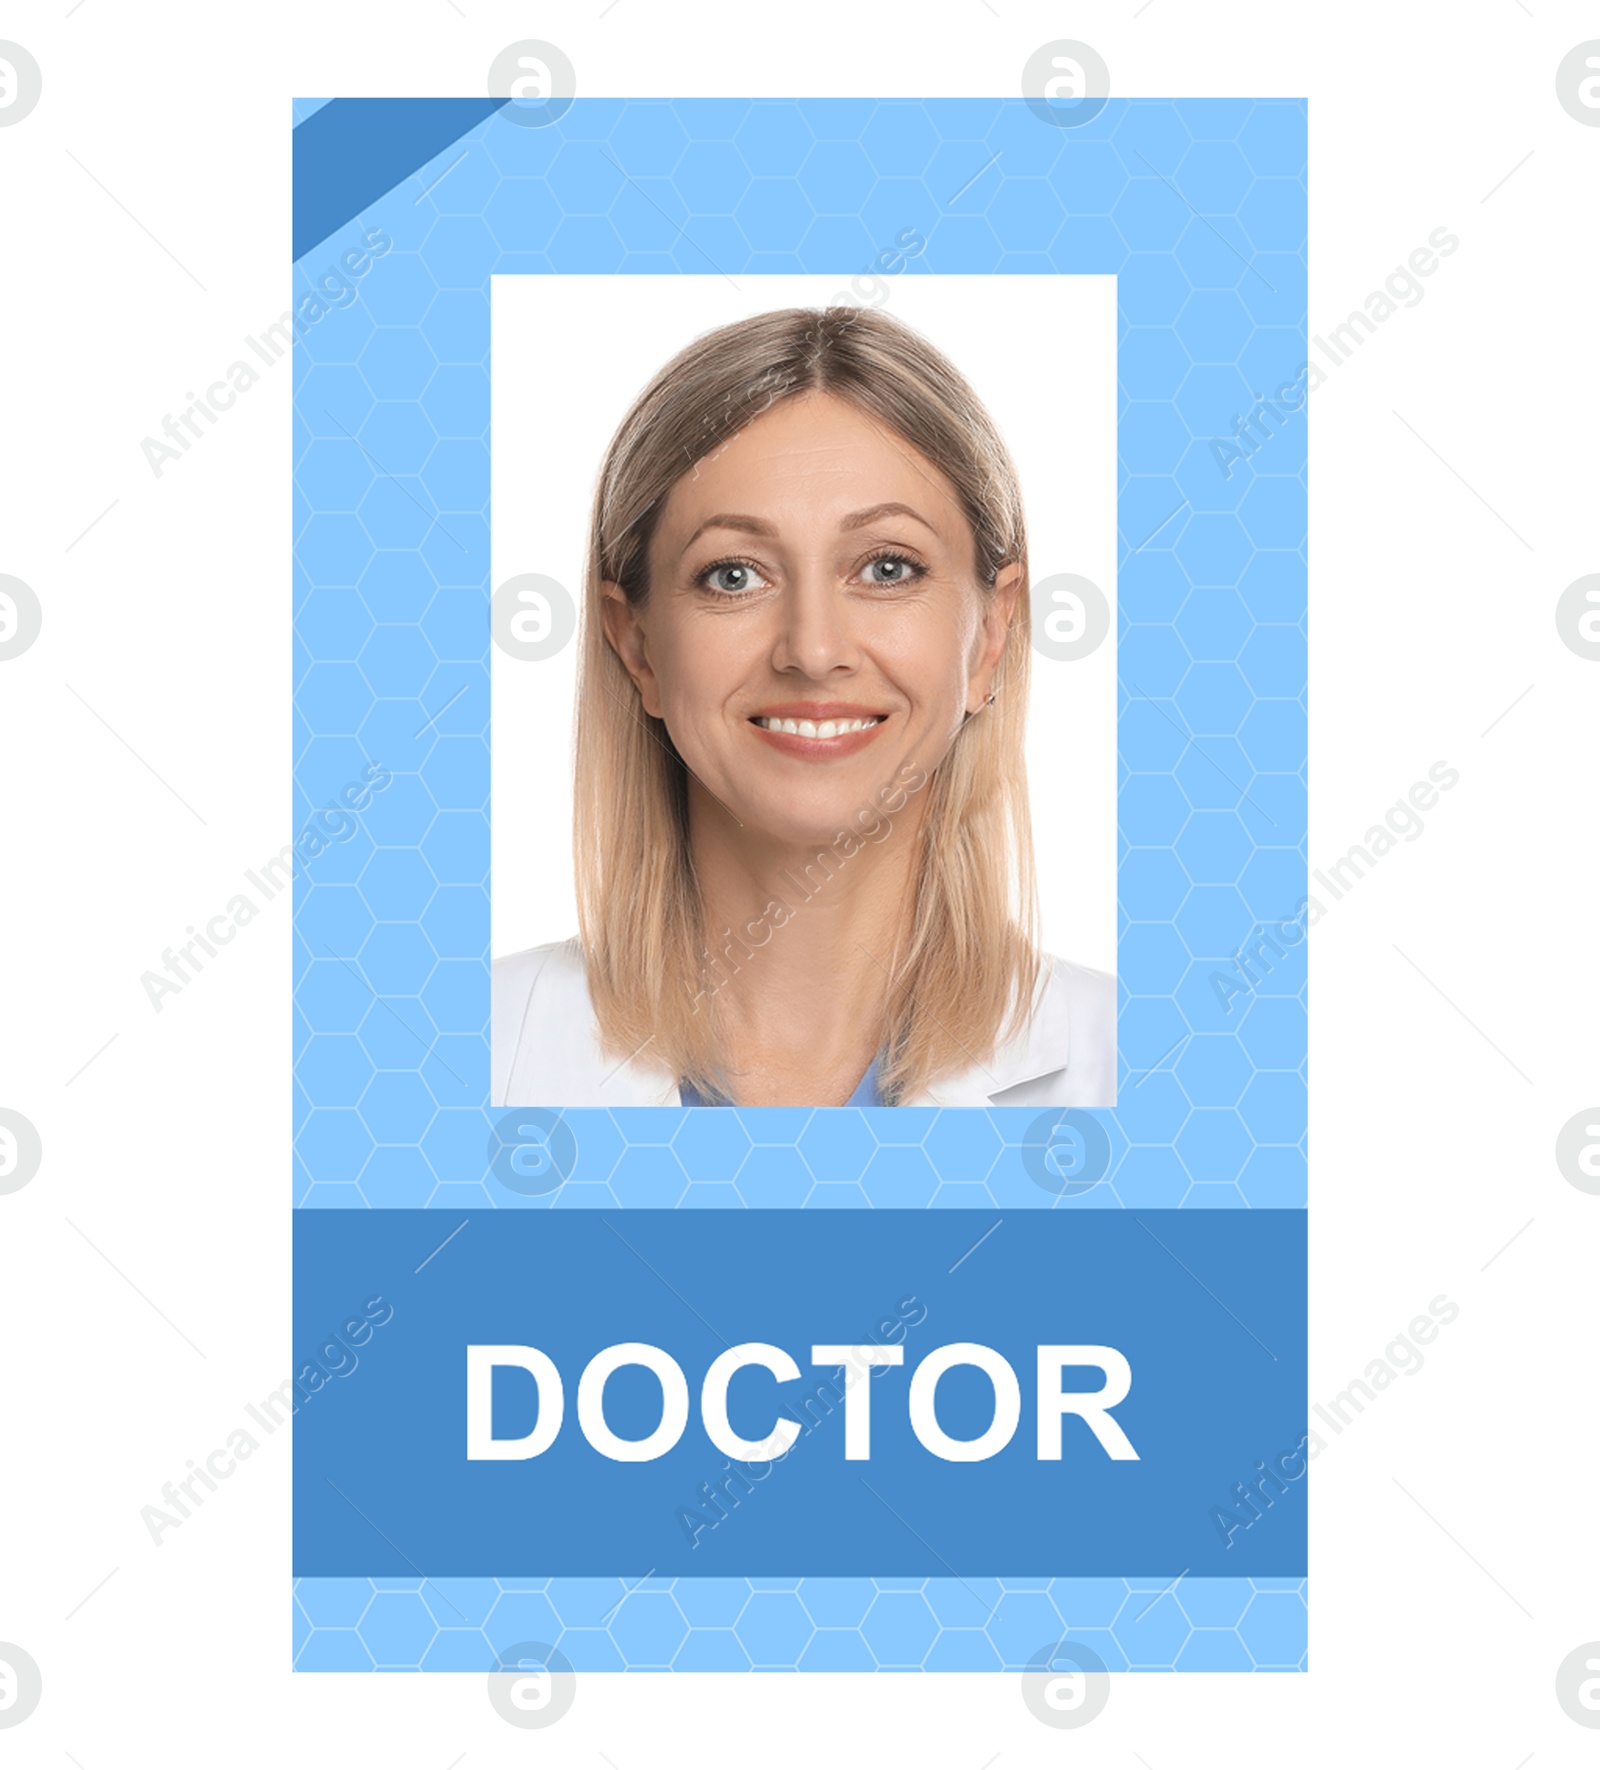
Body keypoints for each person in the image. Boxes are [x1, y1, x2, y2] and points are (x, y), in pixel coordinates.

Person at [493, 305, 1114, 1108]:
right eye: (735, 575)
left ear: (992, 633)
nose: (814, 651)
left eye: (887, 569)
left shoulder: (1151, 1070)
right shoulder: (459, 1051)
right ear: (637, 645)